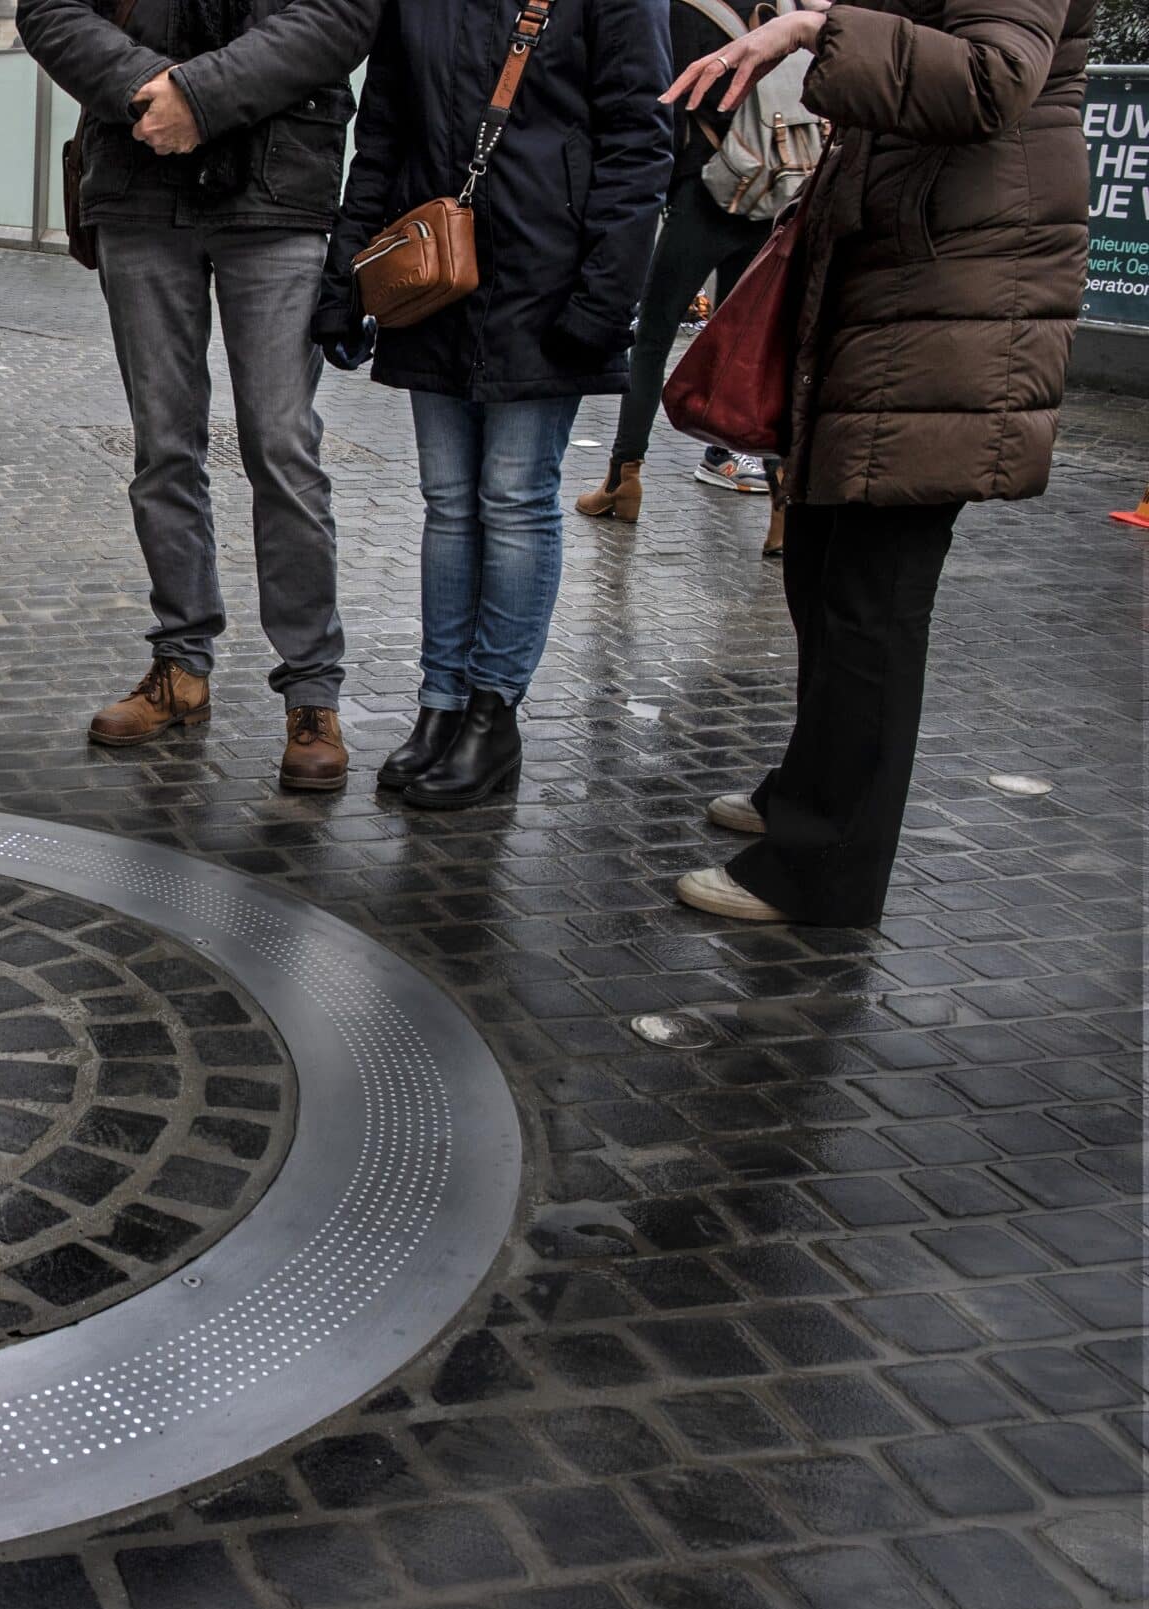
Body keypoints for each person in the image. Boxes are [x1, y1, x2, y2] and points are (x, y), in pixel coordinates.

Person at [667, 0, 1093, 926]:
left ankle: (825, 867)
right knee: (825, 565)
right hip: (904, 279)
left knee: (873, 597)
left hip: (955, 291)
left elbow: (993, 77)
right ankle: (809, 789)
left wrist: (818, 29)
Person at [315, 0, 668, 809]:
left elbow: (639, 142)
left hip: (548, 284)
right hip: (439, 274)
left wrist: (603, 301)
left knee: (512, 498)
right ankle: (440, 706)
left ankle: (491, 714)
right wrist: (346, 279)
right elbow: (382, 135)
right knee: (448, 502)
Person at [20, 0, 379, 793]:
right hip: (138, 178)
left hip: (279, 189)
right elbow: (47, 9)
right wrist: (150, 87)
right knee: (162, 445)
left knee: (282, 447)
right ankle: (180, 665)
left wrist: (201, 96)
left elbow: (342, 16)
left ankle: (312, 693)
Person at [572, 0, 789, 537]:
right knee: (758, 345)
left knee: (651, 335)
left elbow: (664, 103)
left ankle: (625, 477)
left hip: (706, 192)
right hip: (773, 191)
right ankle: (783, 501)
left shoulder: (686, 9)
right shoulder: (785, 9)